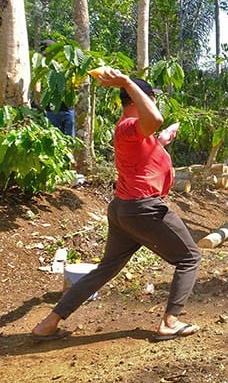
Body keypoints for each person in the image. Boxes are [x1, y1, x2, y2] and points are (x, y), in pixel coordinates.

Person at [31, 71, 201, 342]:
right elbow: (155, 119)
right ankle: (170, 322)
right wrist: (127, 83)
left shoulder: (133, 131)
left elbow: (144, 149)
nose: (155, 103)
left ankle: (47, 325)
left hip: (125, 209)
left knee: (106, 269)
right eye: (152, 98)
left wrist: (162, 140)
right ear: (140, 98)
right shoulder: (129, 125)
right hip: (144, 208)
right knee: (189, 258)